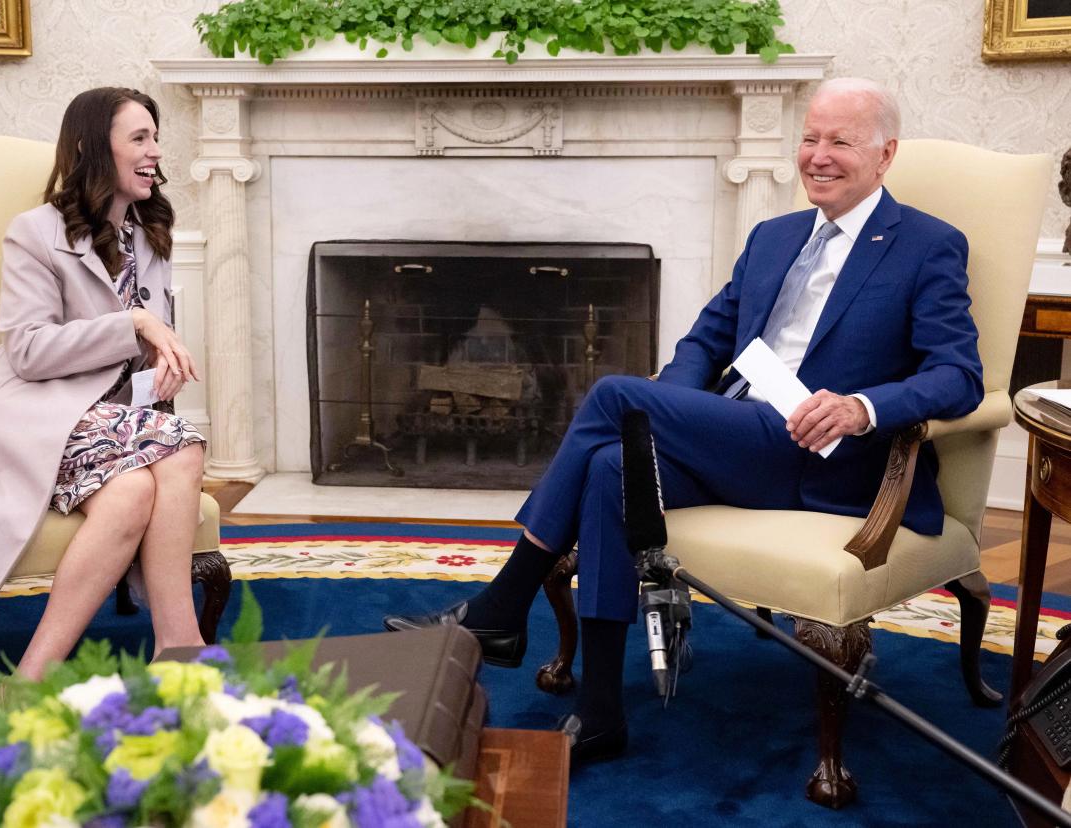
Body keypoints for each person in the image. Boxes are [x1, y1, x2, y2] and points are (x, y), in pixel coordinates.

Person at [383, 77, 984, 764]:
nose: (818, 155)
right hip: (737, 435)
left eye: (840, 141)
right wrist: (671, 415)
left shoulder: (927, 245)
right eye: (810, 137)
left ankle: (502, 605)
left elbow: (958, 375)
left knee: (614, 395)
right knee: (614, 467)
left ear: (884, 155)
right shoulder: (773, 236)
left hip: (824, 457)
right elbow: (706, 340)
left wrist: (861, 408)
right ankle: (601, 711)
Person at [0, 87, 209, 689]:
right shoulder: (34, 233)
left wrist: (157, 366)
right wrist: (135, 326)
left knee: (129, 495)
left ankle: (32, 682)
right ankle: (183, 644)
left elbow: (133, 351)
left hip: (115, 421)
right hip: (37, 414)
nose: (155, 152)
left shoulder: (149, 230)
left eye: (155, 137)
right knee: (185, 445)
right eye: (139, 139)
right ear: (97, 150)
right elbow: (28, 350)